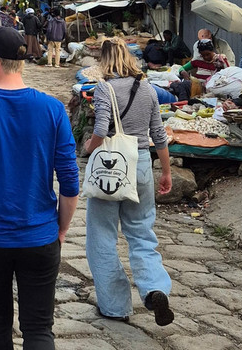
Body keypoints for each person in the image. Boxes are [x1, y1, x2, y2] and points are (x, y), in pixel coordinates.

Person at [0, 26, 78, 350]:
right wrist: (59, 231)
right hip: (40, 237)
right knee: (38, 329)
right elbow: (70, 181)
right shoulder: (52, 109)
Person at [84, 37, 174, 326]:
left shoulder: (104, 88)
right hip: (142, 164)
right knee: (142, 234)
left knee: (102, 236)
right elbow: (158, 134)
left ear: (105, 60)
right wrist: (167, 172)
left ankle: (115, 307)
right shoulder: (147, 88)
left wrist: (87, 148)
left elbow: (100, 129)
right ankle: (154, 288)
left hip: (112, 168)